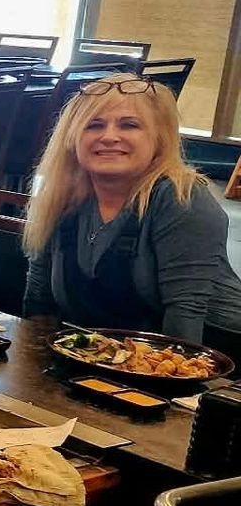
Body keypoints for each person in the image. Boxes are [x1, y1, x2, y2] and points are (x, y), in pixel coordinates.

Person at [24, 74, 241, 355]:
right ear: (72, 137)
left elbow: (185, 318)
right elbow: (39, 300)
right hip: (111, 359)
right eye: (94, 125)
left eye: (129, 125)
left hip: (212, 361)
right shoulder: (61, 196)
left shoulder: (180, 198)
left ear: (159, 138)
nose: (109, 136)